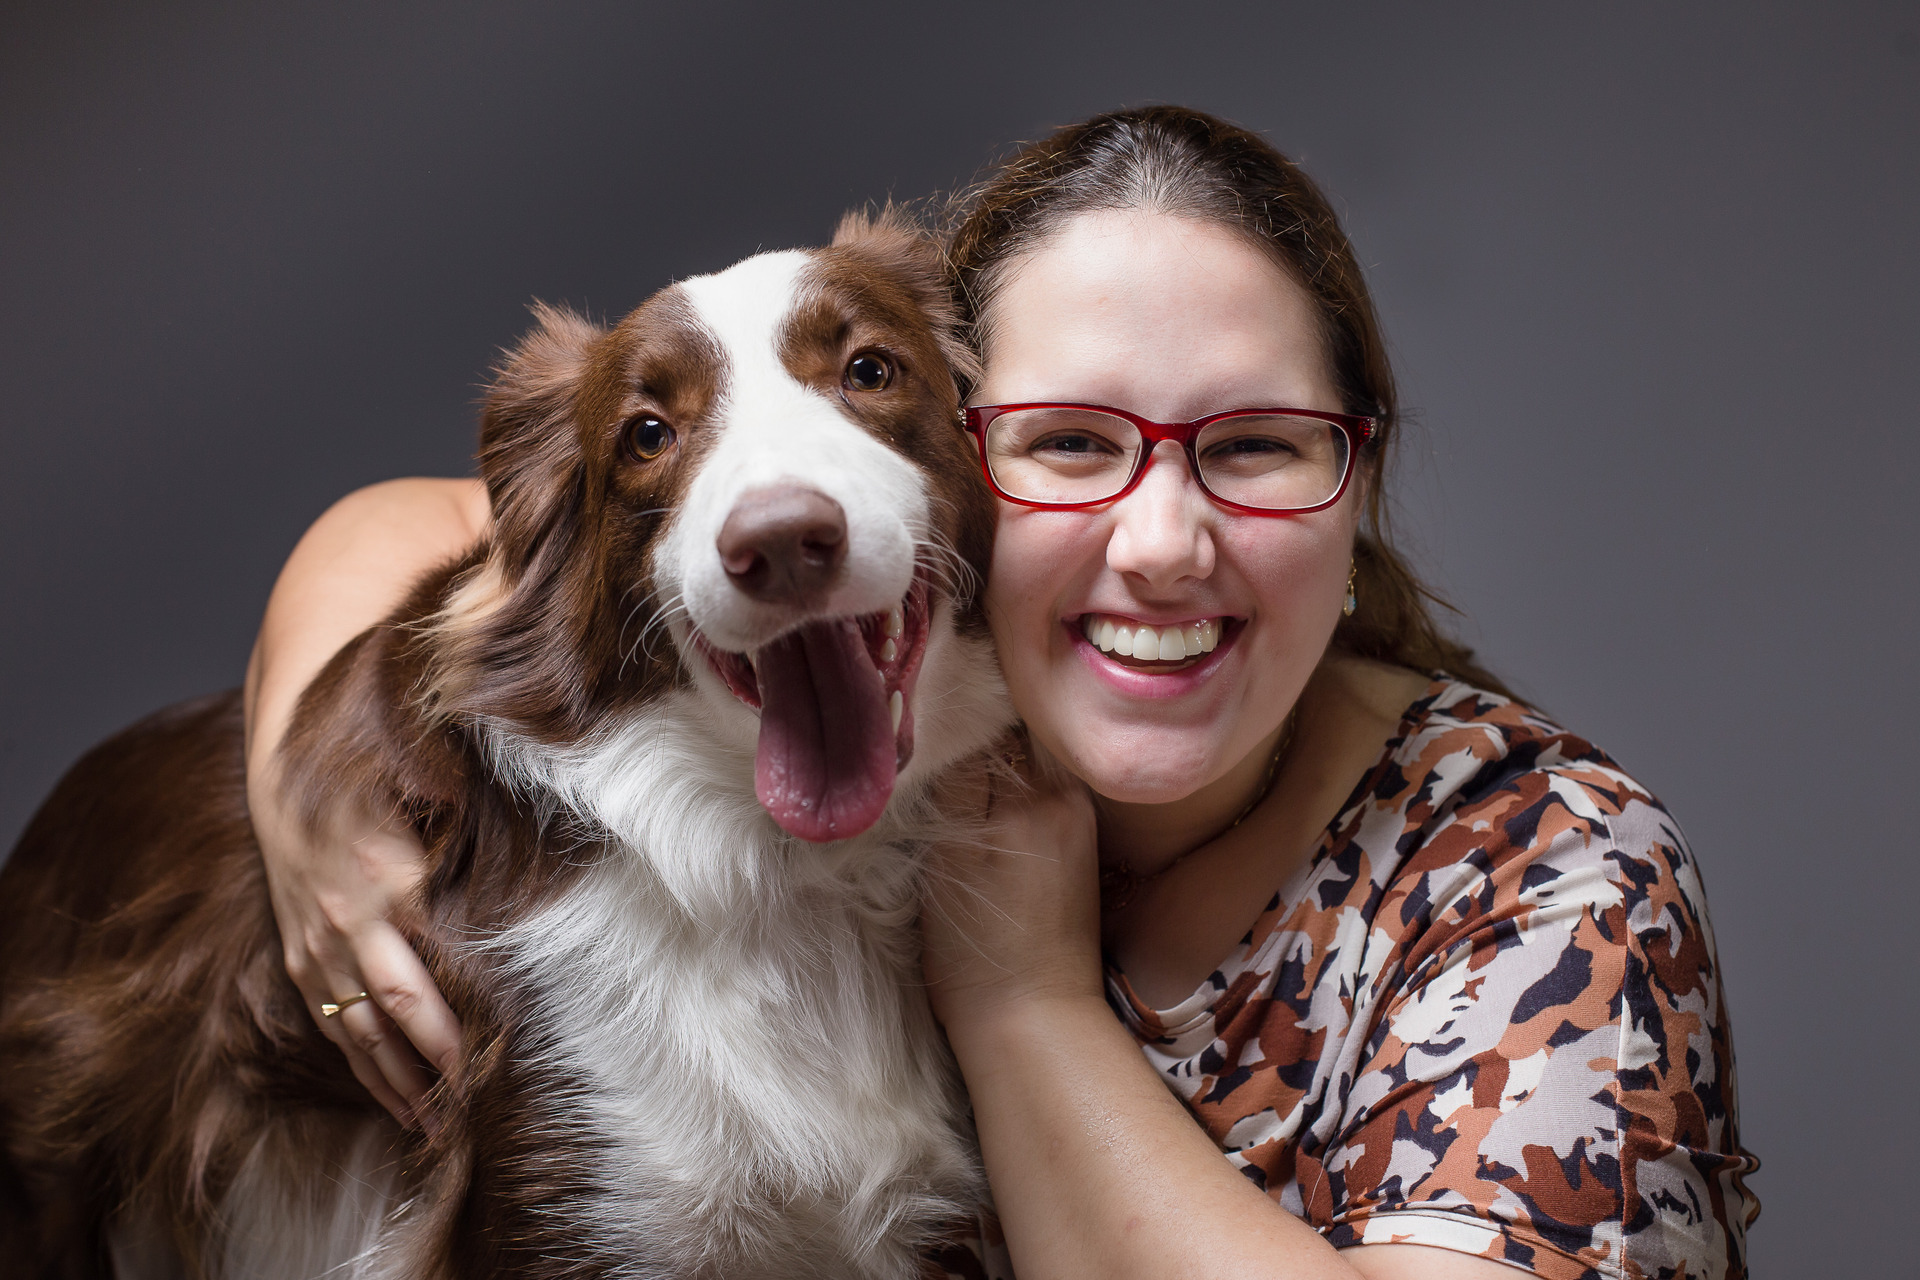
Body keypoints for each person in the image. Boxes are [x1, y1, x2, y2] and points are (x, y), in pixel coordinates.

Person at [243, 107, 1758, 1278]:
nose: (1161, 548)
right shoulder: (909, 722)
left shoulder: (1552, 878)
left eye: (1254, 446)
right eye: (1074, 444)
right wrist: (301, 779)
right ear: (963, 469)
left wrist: (1021, 993)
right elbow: (472, 527)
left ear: (1358, 486)